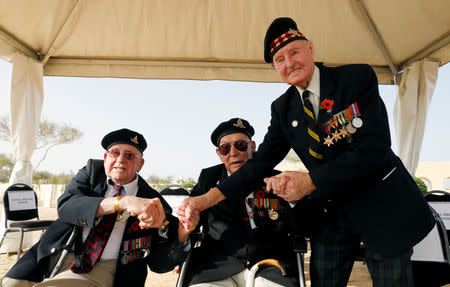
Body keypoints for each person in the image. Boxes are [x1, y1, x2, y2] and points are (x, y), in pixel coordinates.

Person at [178, 18, 435, 286]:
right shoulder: (283, 108)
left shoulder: (355, 79)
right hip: (333, 214)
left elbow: (375, 148)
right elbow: (259, 164)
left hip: (381, 205)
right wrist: (202, 201)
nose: (289, 64)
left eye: (294, 52)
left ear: (310, 49)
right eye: (279, 59)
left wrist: (310, 181)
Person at [2, 128, 199, 287]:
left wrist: (181, 236)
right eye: (115, 153)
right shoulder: (90, 174)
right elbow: (66, 208)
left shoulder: (153, 202)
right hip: (52, 253)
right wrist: (122, 202)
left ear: (140, 164)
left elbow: (159, 264)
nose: (121, 159)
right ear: (106, 159)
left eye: (129, 155)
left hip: (105, 267)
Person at [183, 118, 308, 287]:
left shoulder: (277, 179)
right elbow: (191, 221)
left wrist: (293, 200)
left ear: (253, 147)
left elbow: (303, 226)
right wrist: (189, 220)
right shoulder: (209, 178)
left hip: (272, 266)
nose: (233, 153)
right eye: (225, 148)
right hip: (217, 267)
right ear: (219, 154)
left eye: (241, 145)